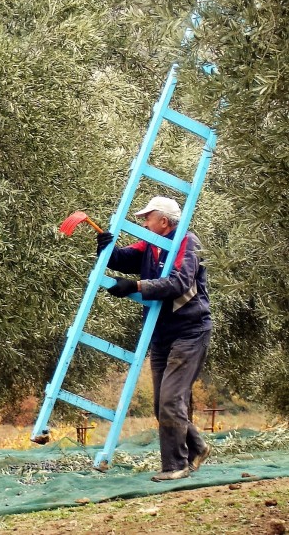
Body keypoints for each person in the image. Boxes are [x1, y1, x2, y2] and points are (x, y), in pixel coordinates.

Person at [96, 196, 212, 482]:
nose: (143, 222)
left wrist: (136, 286)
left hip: (190, 331)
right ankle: (197, 447)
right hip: (161, 333)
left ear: (163, 221)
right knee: (162, 402)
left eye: (147, 218)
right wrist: (105, 247)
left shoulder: (187, 242)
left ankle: (176, 465)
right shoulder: (151, 244)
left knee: (171, 400)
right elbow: (124, 259)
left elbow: (179, 283)